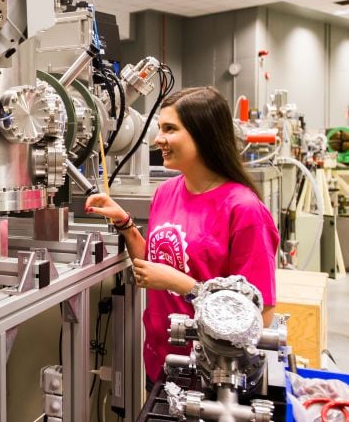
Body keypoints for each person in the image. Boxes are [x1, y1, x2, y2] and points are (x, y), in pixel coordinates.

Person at [85, 86, 277, 387]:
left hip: (214, 375)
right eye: (159, 128)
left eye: (170, 129)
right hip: (161, 362)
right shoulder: (166, 192)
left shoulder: (244, 210)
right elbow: (154, 265)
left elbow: (259, 317)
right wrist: (123, 222)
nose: (158, 139)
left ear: (204, 135)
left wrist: (180, 284)